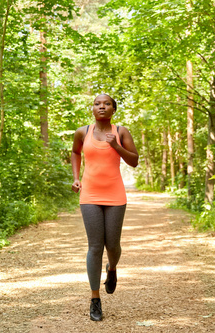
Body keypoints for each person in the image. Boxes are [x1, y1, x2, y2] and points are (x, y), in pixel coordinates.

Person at [71, 93, 139, 321]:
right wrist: (76, 177)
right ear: (92, 108)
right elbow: (75, 152)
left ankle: (112, 269)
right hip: (89, 193)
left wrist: (115, 146)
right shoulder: (83, 132)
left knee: (113, 245)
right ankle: (95, 299)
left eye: (107, 104)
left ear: (113, 109)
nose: (102, 106)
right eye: (97, 103)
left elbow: (134, 160)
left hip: (115, 194)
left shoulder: (121, 132)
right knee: (95, 246)